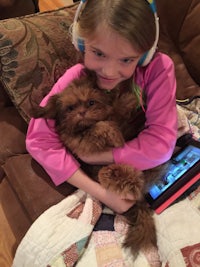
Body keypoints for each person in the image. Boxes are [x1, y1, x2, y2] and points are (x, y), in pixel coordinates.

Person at [26, 0, 177, 214]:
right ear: (80, 41)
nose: (110, 71)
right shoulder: (75, 78)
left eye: (127, 59)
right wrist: (102, 194)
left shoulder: (159, 69)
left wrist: (94, 157)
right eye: (98, 53)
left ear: (145, 54)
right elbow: (38, 140)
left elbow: (161, 144)